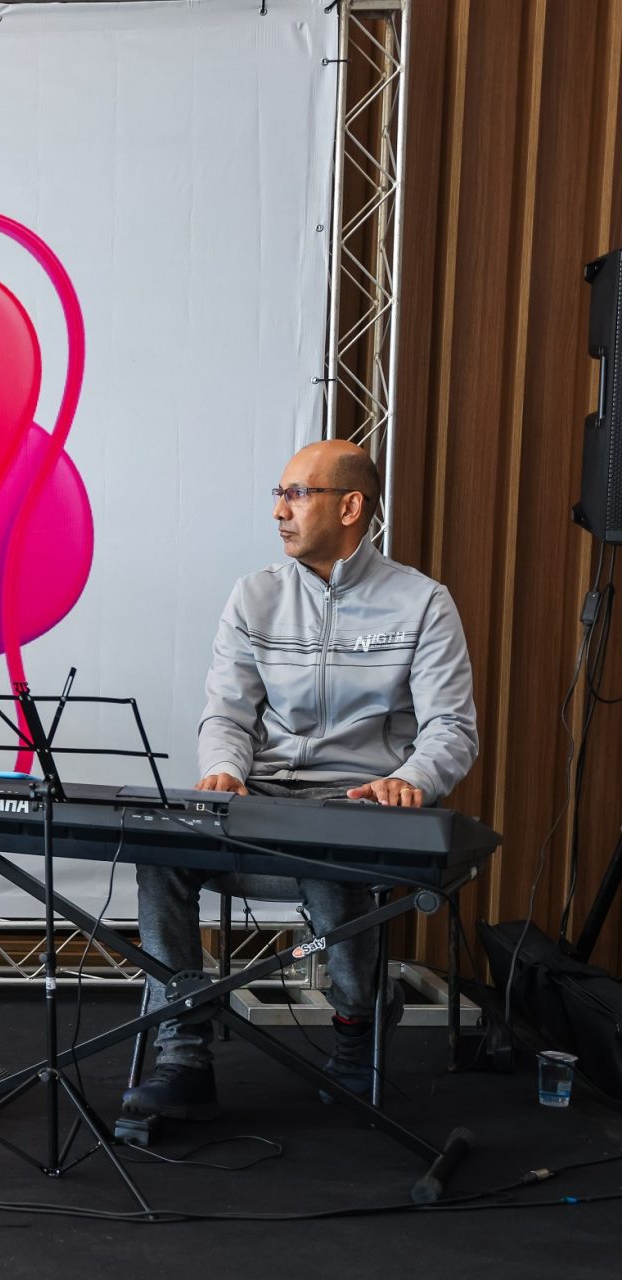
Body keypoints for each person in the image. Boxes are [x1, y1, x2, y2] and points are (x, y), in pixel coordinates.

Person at [122, 438, 478, 1121]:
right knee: (159, 853)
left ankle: (357, 1023)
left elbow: (452, 730)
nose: (279, 511)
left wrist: (411, 778)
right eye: (278, 495)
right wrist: (224, 769)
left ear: (350, 507)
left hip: (357, 800)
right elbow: (226, 713)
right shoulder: (253, 595)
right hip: (260, 798)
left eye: (297, 494)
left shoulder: (422, 603)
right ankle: (183, 1053)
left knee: (329, 857)